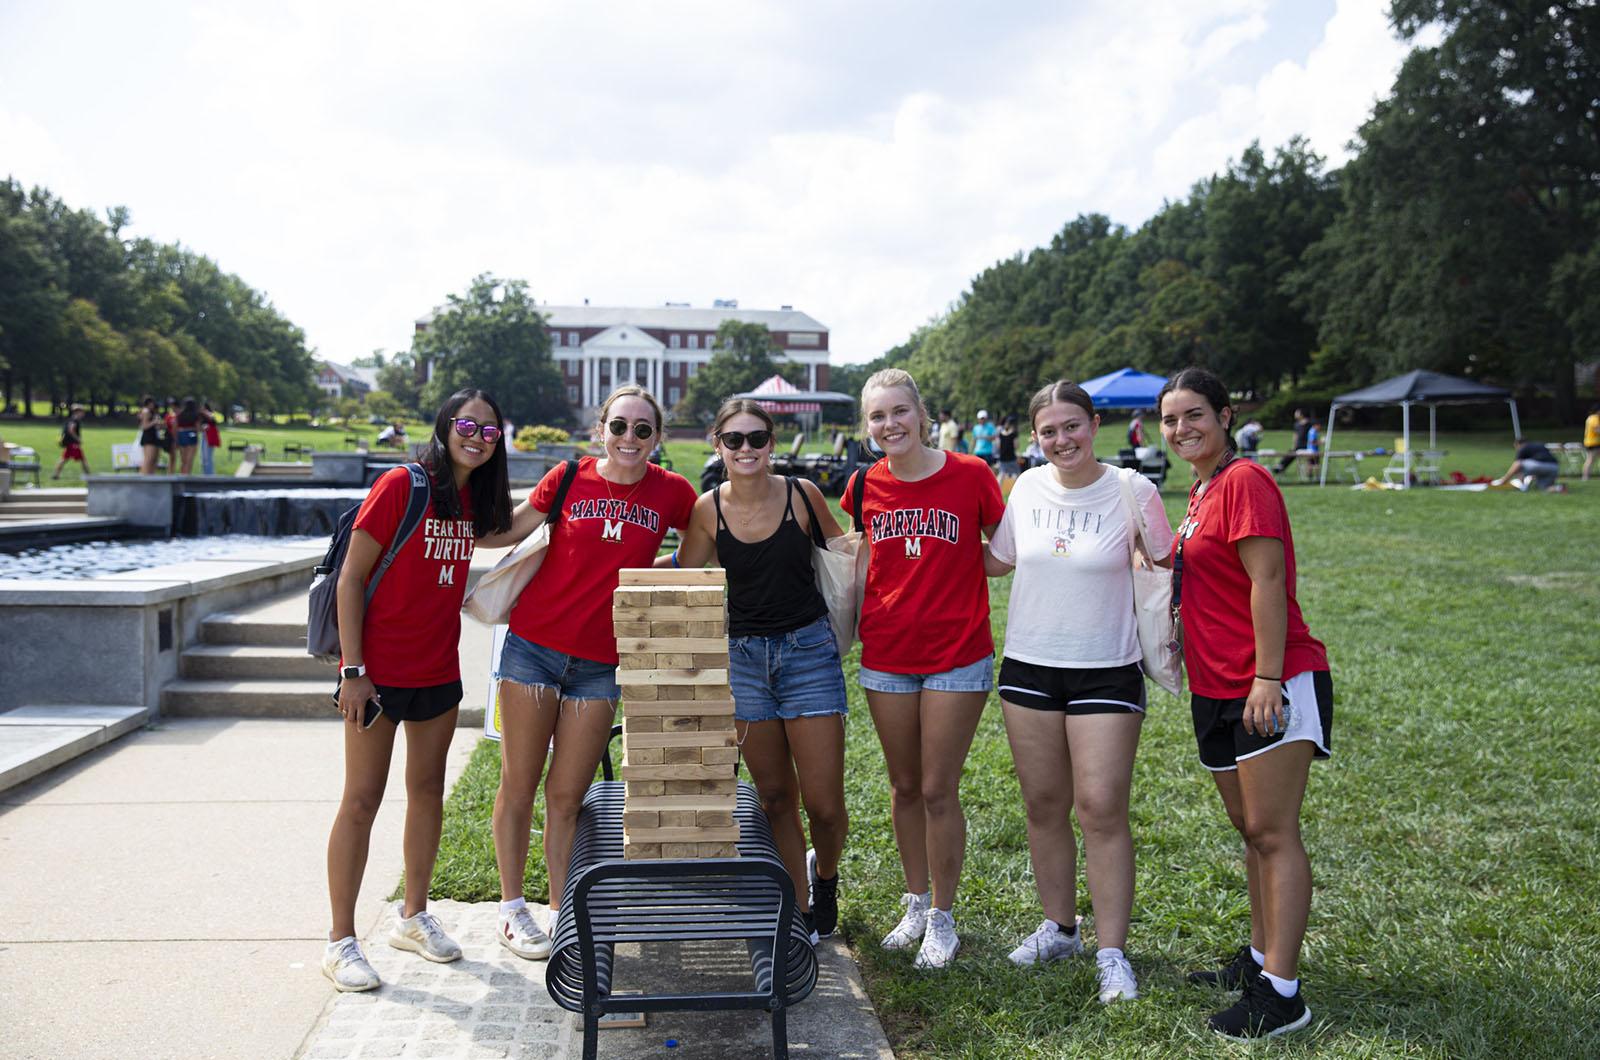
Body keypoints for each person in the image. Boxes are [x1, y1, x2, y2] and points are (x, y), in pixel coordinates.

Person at [480, 385, 697, 963]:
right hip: (533, 649)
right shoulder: (569, 477)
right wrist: (451, 512)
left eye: (643, 430)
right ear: (601, 428)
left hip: (602, 663)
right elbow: (509, 528)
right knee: (519, 783)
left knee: (568, 795)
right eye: (619, 426)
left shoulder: (672, 492)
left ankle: (561, 912)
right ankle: (511, 908)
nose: (630, 438)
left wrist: (656, 567)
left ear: (657, 439)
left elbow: (701, 550)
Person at [983, 380, 1173, 1004]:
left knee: (1099, 807)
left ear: (1094, 425)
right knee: (1043, 804)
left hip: (1107, 668)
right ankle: (1059, 927)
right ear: (1034, 437)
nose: (1061, 440)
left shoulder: (1132, 490)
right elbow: (1000, 559)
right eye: (1048, 431)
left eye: (1072, 426)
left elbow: (1169, 573)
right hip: (1029, 667)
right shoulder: (1027, 487)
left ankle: (1112, 952)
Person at [1158, 367, 1332, 1040]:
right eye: (1171, 420)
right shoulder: (1202, 492)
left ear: (1226, 416)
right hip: (1217, 687)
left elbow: (1268, 578)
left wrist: (1265, 676)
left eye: (1194, 415)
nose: (1181, 429)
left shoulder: (1246, 481)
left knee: (1273, 831)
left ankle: (1283, 995)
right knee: (1250, 830)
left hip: (1271, 680)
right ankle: (1260, 960)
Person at [322, 388, 514, 992]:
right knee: (362, 799)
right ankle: (340, 941)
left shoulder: (470, 500)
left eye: (489, 430)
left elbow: (517, 531)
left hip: (438, 672)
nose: (477, 436)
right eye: (466, 424)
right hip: (375, 678)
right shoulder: (402, 486)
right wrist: (353, 670)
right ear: (444, 425)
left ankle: (413, 915)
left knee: (427, 790)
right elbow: (351, 579)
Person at [840, 369, 1005, 970]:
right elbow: (856, 559)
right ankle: (913, 901)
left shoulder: (971, 474)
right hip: (886, 655)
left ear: (922, 413)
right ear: (867, 426)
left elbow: (1002, 554)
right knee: (904, 786)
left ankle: (943, 914)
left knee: (938, 788)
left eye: (899, 412)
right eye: (878, 416)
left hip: (958, 654)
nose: (890, 425)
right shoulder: (862, 487)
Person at [671, 399, 850, 944]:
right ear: (716, 444)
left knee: (824, 803)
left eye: (756, 438)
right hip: (744, 661)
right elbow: (683, 570)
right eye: (734, 440)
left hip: (809, 654)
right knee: (774, 798)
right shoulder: (708, 510)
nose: (745, 449)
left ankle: (825, 876)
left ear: (772, 444)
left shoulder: (802, 495)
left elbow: (845, 556)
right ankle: (796, 912)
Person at [1494, 438, 1564, 492]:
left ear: (1518, 444)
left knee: (1519, 465)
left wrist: (1505, 480)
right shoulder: (1540, 445)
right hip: (1554, 467)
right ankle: (1559, 488)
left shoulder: (1524, 448)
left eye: (1516, 447)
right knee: (1545, 488)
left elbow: (1517, 464)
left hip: (1538, 465)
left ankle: (1521, 486)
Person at [52, 404, 90, 479]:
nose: (83, 413)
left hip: (71, 444)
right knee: (81, 459)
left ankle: (56, 475)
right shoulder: (74, 420)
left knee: (65, 459)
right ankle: (88, 475)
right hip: (73, 444)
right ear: (77, 412)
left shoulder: (72, 419)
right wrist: (78, 439)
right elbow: (71, 430)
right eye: (82, 412)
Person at [1274, 409, 1310, 475]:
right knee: (1290, 453)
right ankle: (1280, 467)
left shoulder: (1308, 424)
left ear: (1301, 414)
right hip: (1298, 446)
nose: (1295, 415)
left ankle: (1280, 466)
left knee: (1290, 454)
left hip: (1306, 445)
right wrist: (1294, 444)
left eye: (1297, 413)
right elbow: (1295, 435)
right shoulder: (1296, 424)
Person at [174, 397, 202, 475]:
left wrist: (176, 439)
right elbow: (198, 428)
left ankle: (182, 474)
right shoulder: (195, 415)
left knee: (183, 459)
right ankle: (187, 475)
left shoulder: (179, 414)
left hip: (181, 434)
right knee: (189, 459)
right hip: (191, 434)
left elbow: (175, 427)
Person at [136, 396, 164, 475]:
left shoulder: (151, 412)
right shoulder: (146, 411)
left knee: (154, 460)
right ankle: (143, 476)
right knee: (148, 459)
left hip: (154, 436)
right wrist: (154, 422)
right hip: (148, 437)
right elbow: (144, 426)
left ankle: (151, 475)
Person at [996, 414, 1021, 492]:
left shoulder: (1000, 434)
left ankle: (997, 490)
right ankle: (1018, 490)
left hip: (1002, 458)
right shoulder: (1014, 434)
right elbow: (1016, 446)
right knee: (1017, 474)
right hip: (1011, 457)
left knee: (1001, 475)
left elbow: (998, 446)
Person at [200, 401, 221, 475]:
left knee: (208, 457)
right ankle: (205, 473)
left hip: (209, 437)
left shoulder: (210, 414)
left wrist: (206, 413)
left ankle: (210, 474)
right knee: (203, 457)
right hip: (204, 436)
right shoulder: (202, 416)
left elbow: (212, 419)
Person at [1581, 405, 1598, 481]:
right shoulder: (1595, 418)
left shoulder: (1590, 418)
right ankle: (1585, 477)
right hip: (1594, 443)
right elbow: (1597, 429)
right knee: (1590, 460)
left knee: (1590, 460)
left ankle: (1585, 477)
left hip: (1590, 442)